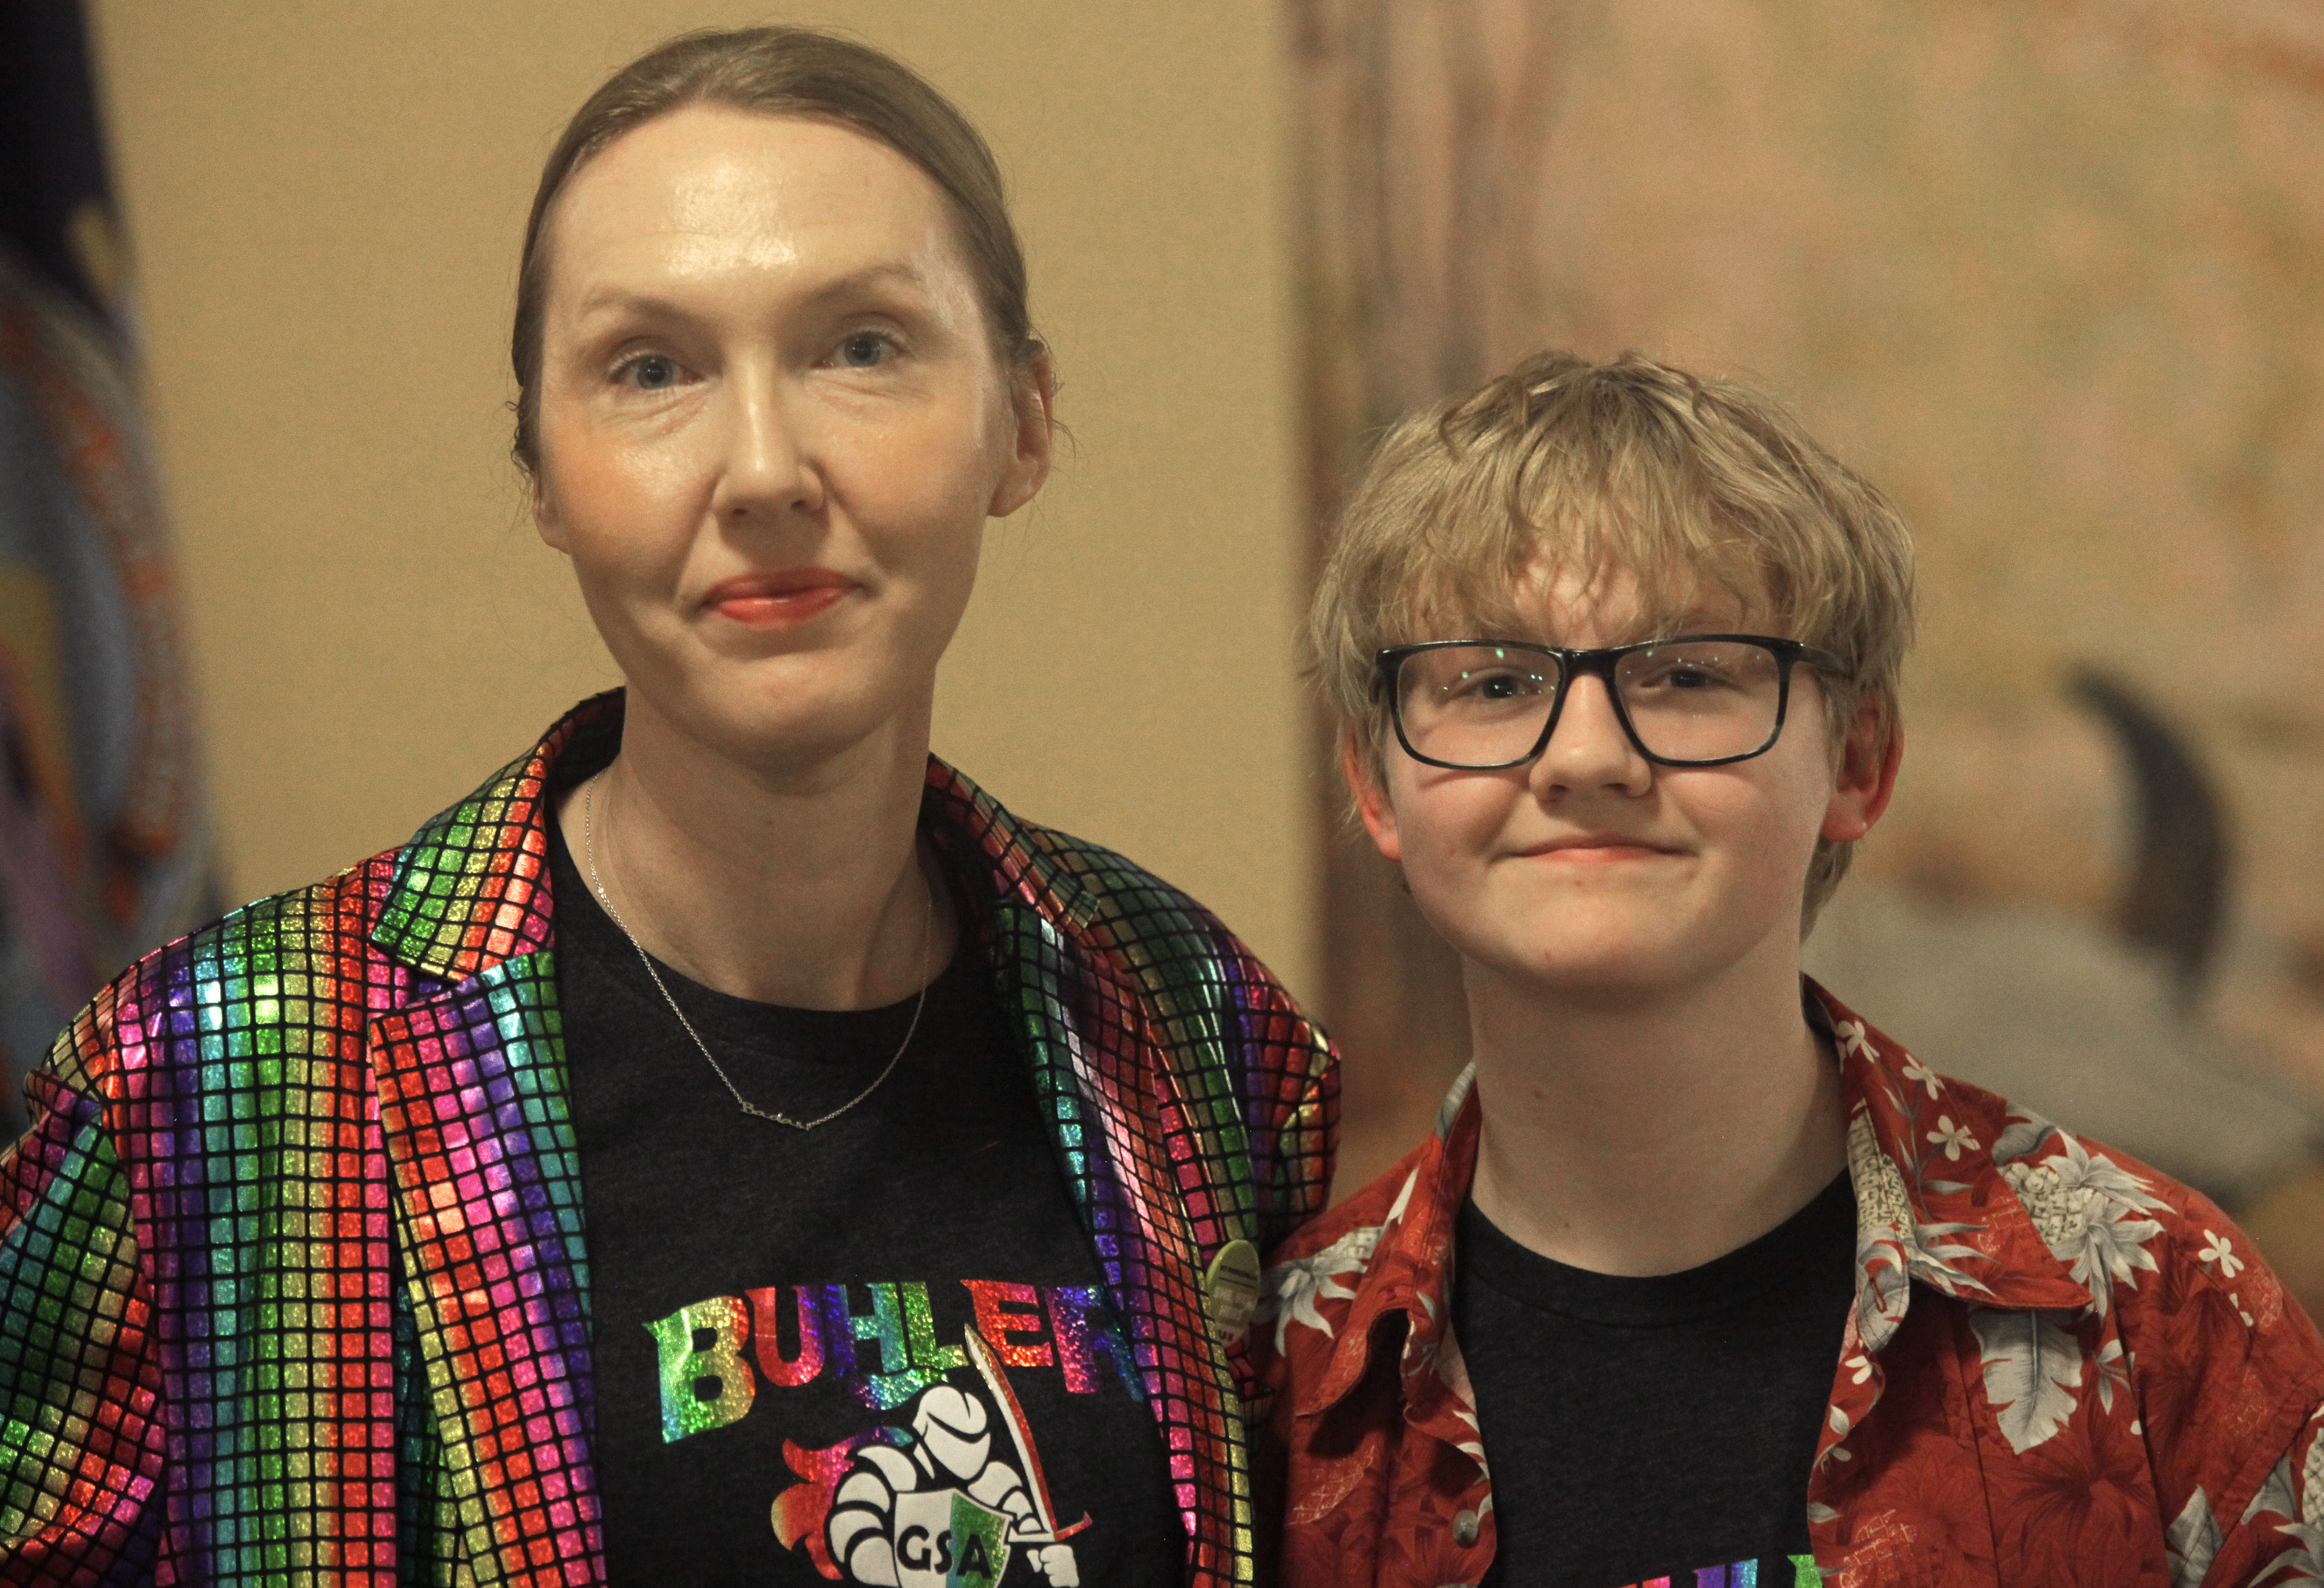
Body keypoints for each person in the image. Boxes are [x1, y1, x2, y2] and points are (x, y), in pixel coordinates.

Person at [0, 27, 1333, 1588]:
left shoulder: (1196, 1027)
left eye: (861, 346)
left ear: (1022, 423)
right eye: (651, 369)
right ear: (545, 471)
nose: (764, 469)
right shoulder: (217, 1086)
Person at [1254, 350, 2324, 1587]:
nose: (1583, 755)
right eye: (1491, 681)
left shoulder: (2157, 1308)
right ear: (1375, 781)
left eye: (1685, 675)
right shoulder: (1276, 1386)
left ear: (1856, 763)